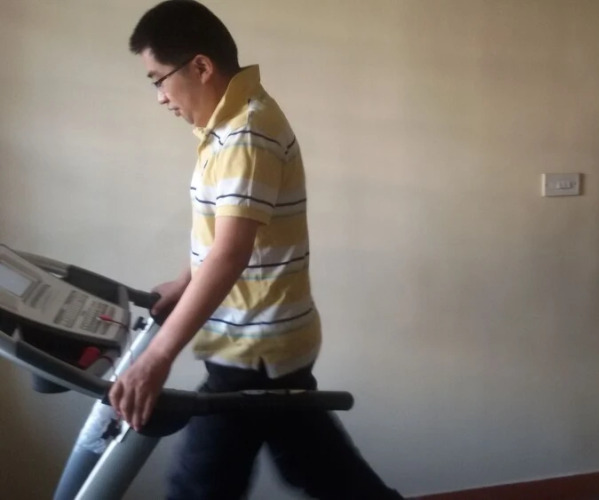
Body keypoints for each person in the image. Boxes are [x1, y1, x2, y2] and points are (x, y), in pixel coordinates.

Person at [108, 1, 403, 498]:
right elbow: (221, 232)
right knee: (322, 470)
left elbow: (230, 253)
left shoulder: (247, 133)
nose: (160, 97)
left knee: (200, 487)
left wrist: (157, 358)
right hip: (265, 343)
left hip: (255, 349)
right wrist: (185, 281)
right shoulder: (229, 127)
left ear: (201, 66)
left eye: (159, 79)